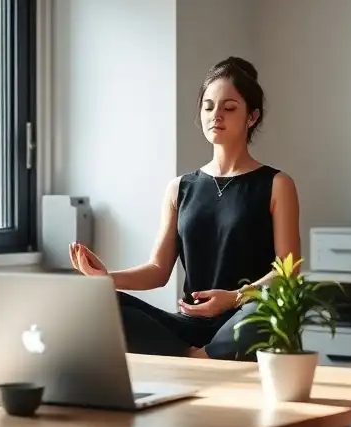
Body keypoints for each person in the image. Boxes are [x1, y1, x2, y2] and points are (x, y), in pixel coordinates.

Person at [69, 56, 301, 361]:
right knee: (100, 304)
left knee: (265, 311)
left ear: (252, 117)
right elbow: (157, 270)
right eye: (208, 106)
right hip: (189, 324)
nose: (216, 115)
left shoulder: (276, 184)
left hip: (242, 318)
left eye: (229, 108)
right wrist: (106, 278)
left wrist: (232, 299)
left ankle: (196, 358)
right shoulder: (180, 188)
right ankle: (199, 356)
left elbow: (288, 273)